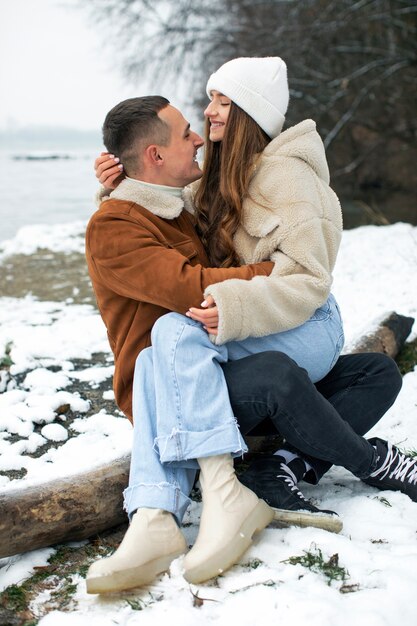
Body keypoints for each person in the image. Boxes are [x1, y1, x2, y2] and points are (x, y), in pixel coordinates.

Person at [86, 62, 415, 593]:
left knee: (168, 342)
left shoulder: (285, 177)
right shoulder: (207, 180)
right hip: (239, 338)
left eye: (219, 102)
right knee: (161, 351)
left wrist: (238, 301)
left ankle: (174, 507)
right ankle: (190, 505)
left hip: (296, 322)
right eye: (205, 104)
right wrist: (122, 187)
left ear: (245, 112)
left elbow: (306, 279)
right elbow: (155, 212)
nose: (205, 118)